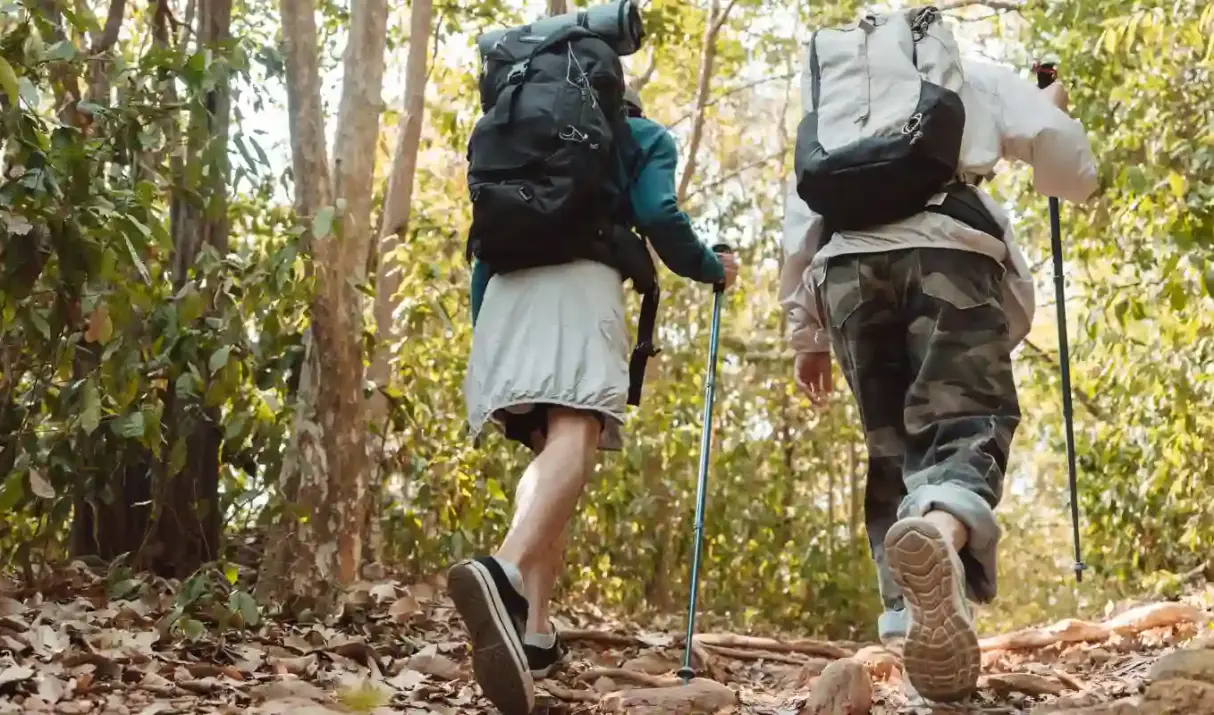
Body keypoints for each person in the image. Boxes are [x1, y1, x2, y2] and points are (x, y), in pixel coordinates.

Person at [779, 59, 1098, 700]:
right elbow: (1067, 162)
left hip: (842, 268)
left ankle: (908, 632)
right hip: (946, 249)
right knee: (964, 422)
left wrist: (805, 334)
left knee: (890, 442)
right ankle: (941, 535)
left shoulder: (838, 99)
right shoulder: (970, 74)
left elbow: (800, 215)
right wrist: (1056, 113)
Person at [450, 86, 740, 715]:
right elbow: (659, 215)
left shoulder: (516, 142)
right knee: (577, 434)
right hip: (580, 288)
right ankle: (501, 572)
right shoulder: (640, 137)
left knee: (549, 453)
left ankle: (535, 631)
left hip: (504, 299)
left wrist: (488, 336)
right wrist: (709, 268)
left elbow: (484, 242)